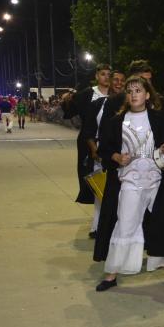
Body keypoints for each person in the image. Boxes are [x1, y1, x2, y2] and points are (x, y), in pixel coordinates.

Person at [93, 76, 164, 291]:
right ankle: (112, 274)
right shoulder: (116, 121)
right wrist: (117, 158)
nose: (133, 94)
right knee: (125, 222)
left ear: (147, 95)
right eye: (130, 91)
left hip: (158, 180)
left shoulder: (159, 119)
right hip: (128, 181)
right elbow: (104, 150)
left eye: (138, 90)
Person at [61, 65, 112, 235]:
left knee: (110, 184)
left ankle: (103, 223)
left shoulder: (116, 96)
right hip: (90, 144)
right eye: (103, 74)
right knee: (97, 182)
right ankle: (97, 225)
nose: (106, 77)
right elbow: (70, 111)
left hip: (111, 144)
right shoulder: (88, 94)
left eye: (108, 74)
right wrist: (66, 101)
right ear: (97, 76)